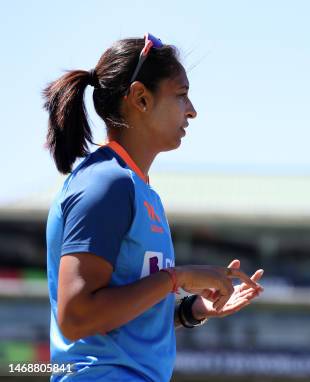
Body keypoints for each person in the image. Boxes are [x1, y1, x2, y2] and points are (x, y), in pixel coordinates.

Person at [43, 33, 264, 381]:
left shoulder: (137, 187)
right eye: (181, 95)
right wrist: (179, 278)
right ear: (141, 99)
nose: (192, 110)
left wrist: (191, 310)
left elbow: (121, 318)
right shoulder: (106, 184)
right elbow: (77, 318)